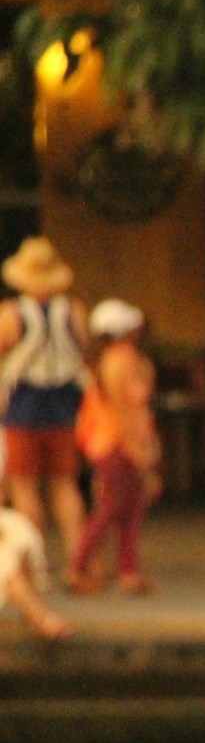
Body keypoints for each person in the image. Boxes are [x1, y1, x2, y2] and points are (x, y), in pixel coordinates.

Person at [0, 237, 90, 574]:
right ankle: (78, 560)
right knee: (65, 485)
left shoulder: (11, 313)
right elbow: (83, 351)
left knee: (24, 487)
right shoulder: (73, 311)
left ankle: (32, 564)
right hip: (63, 404)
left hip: (23, 406)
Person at [69, 300, 159, 596]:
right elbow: (126, 408)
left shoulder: (111, 359)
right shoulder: (121, 361)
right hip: (116, 441)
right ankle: (79, 565)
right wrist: (139, 446)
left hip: (111, 440)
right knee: (112, 506)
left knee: (130, 508)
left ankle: (127, 570)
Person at [0, 505, 69, 639]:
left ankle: (39, 617)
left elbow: (29, 558)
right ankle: (40, 617)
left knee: (8, 568)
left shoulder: (13, 520)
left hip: (14, 579)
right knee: (7, 570)